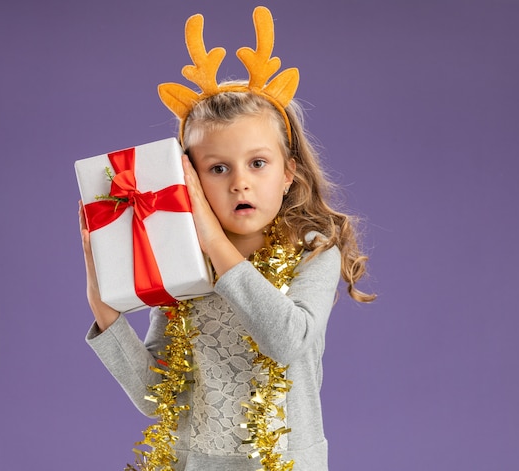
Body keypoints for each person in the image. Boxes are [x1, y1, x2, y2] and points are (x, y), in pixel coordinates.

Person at [78, 6, 374, 471]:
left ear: (287, 174)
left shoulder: (314, 252)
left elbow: (286, 340)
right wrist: (106, 312)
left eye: (258, 163)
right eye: (218, 169)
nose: (240, 182)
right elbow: (159, 396)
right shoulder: (180, 264)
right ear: (188, 179)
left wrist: (214, 242)